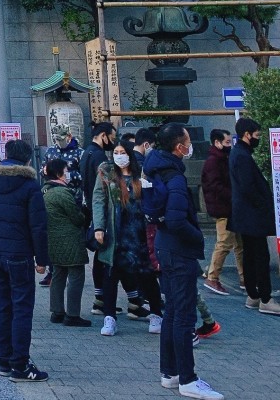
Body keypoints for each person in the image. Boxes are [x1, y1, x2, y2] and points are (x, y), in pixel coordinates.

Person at [142, 123, 223, 400]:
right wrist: (197, 238)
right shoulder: (174, 177)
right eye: (187, 142)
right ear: (179, 147)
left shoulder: (154, 169)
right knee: (183, 316)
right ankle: (187, 378)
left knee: (173, 313)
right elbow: (177, 219)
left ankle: (170, 373)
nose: (190, 147)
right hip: (178, 251)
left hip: (165, 247)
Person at [0, 137, 49, 383]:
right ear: (27, 159)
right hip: (20, 255)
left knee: (3, 306)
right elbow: (38, 226)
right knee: (22, 309)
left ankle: (5, 360)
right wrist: (42, 258)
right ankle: (20, 365)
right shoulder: (30, 185)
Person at [92, 141, 163, 335]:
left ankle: (156, 313)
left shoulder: (142, 174)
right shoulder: (107, 174)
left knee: (146, 275)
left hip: (140, 232)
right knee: (110, 276)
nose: (119, 155)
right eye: (115, 152)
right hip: (116, 233)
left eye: (123, 152)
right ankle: (109, 318)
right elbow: (98, 200)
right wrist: (99, 227)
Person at [230, 116, 279, 315]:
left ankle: (253, 295)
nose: (258, 139)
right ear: (247, 135)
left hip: (246, 215)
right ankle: (265, 298)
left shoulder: (238, 153)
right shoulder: (242, 156)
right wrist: (263, 205)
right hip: (252, 216)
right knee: (259, 256)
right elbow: (249, 187)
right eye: (257, 135)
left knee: (250, 255)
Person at [42, 157, 90, 327]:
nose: (68, 173)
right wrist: (84, 215)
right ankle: (73, 314)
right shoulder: (63, 193)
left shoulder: (45, 191)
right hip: (70, 239)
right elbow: (77, 218)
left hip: (53, 240)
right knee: (76, 276)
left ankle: (57, 311)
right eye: (66, 170)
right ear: (59, 173)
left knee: (58, 274)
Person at [200, 128, 243, 296]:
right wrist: (234, 195)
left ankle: (244, 278)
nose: (229, 145)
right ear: (217, 143)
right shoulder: (214, 161)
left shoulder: (222, 158)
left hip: (230, 208)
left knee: (240, 245)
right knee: (224, 243)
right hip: (224, 208)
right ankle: (212, 277)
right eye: (226, 142)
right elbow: (215, 186)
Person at [80, 121, 116, 314]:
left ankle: (100, 296)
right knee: (104, 256)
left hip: (90, 207)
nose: (113, 141)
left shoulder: (86, 153)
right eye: (112, 137)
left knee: (100, 255)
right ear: (103, 135)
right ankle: (101, 298)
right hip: (100, 209)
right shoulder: (100, 156)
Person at [43, 126, 83, 204]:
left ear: (69, 136)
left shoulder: (79, 152)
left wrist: (67, 175)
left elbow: (84, 175)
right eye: (57, 140)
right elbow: (42, 170)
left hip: (73, 195)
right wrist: (45, 171)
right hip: (52, 194)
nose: (59, 142)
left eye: (61, 139)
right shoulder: (50, 151)